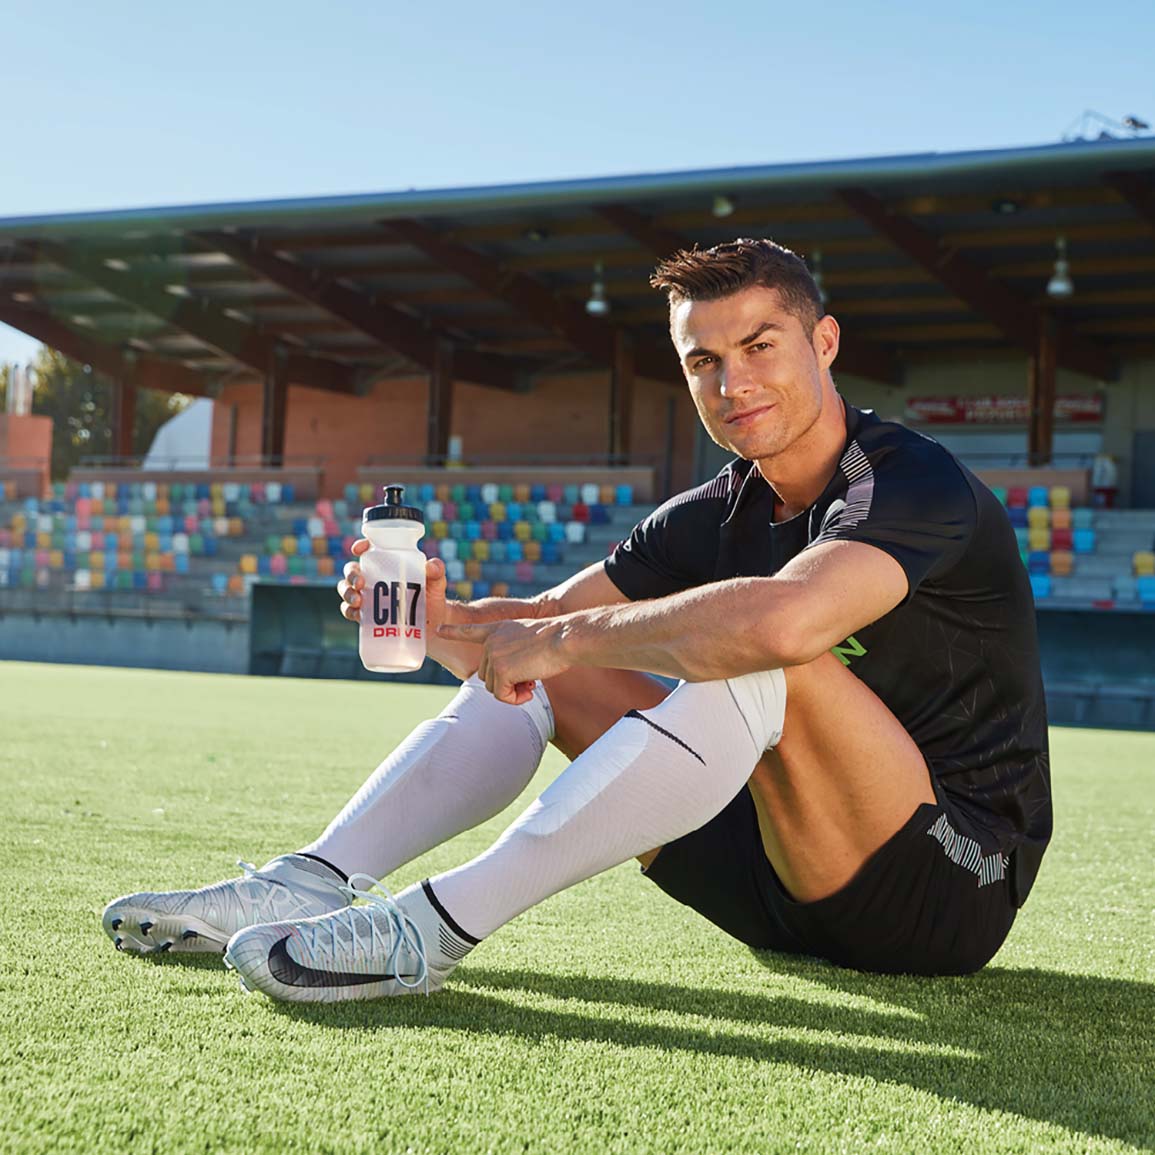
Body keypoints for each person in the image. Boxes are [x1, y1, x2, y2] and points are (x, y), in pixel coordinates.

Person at [103, 239, 1051, 1002]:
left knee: (766, 657)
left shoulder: (910, 479)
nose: (734, 382)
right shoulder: (711, 512)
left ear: (825, 343)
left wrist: (555, 638)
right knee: (560, 659)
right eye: (704, 361)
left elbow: (785, 621)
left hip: (944, 884)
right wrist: (439, 622)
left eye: (761, 346)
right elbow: (538, 631)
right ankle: (309, 878)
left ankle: (428, 930)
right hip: (769, 881)